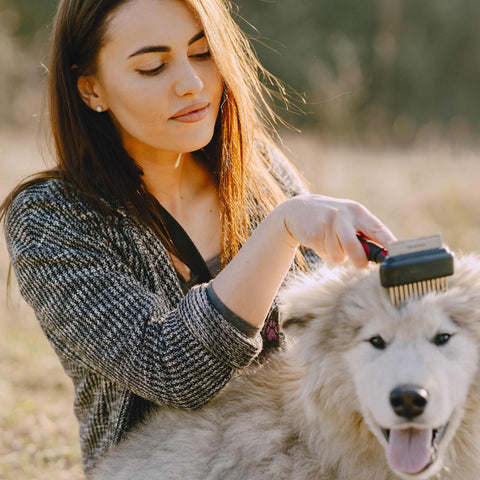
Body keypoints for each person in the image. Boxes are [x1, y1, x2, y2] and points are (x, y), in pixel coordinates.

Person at [1, 0, 396, 476]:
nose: (191, 83)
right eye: (153, 67)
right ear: (92, 89)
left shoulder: (258, 173)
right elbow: (172, 370)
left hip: (304, 454)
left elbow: (320, 344)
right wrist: (281, 230)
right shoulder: (52, 216)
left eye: (204, 53)